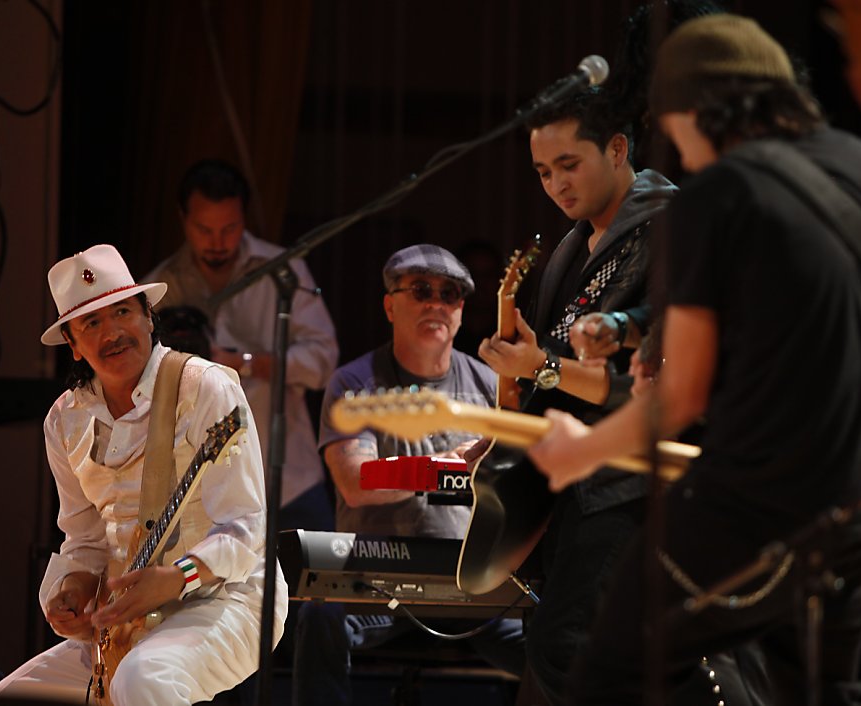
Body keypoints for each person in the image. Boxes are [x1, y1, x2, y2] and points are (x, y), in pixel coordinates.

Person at [529, 14, 861, 705]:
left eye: (677, 131)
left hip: (756, 505)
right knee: (819, 692)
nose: (683, 156)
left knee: (596, 666)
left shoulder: (715, 197)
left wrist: (584, 450)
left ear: (697, 110)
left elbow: (678, 397)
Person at [0, 244, 287, 705]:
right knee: (8, 700)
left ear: (147, 315)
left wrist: (178, 576)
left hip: (229, 598)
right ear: (74, 345)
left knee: (142, 680)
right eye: (91, 323)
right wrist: (72, 592)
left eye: (122, 312)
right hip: (126, 614)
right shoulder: (64, 420)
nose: (112, 332)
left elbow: (247, 528)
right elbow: (84, 541)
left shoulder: (202, 386)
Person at [476, 84, 676, 705]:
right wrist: (519, 380)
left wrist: (543, 368)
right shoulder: (570, 248)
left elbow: (659, 377)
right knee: (552, 651)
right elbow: (546, 379)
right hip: (574, 481)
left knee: (565, 645)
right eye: (543, 172)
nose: (556, 184)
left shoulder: (669, 226)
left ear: (618, 149)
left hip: (631, 479)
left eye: (569, 165)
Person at [292, 244, 526, 705]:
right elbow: (356, 482)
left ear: (461, 311)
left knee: (562, 646)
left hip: (469, 581)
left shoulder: (489, 386)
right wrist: (441, 469)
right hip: (379, 582)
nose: (437, 302)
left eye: (451, 293)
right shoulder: (354, 383)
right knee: (319, 618)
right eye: (421, 290)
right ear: (389, 305)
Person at [144, 158, 339, 536]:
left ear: (244, 218)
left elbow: (323, 360)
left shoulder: (282, 270)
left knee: (315, 591)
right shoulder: (158, 288)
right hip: (200, 489)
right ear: (182, 218)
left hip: (286, 479)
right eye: (204, 229)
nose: (217, 242)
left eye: (230, 228)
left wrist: (244, 363)